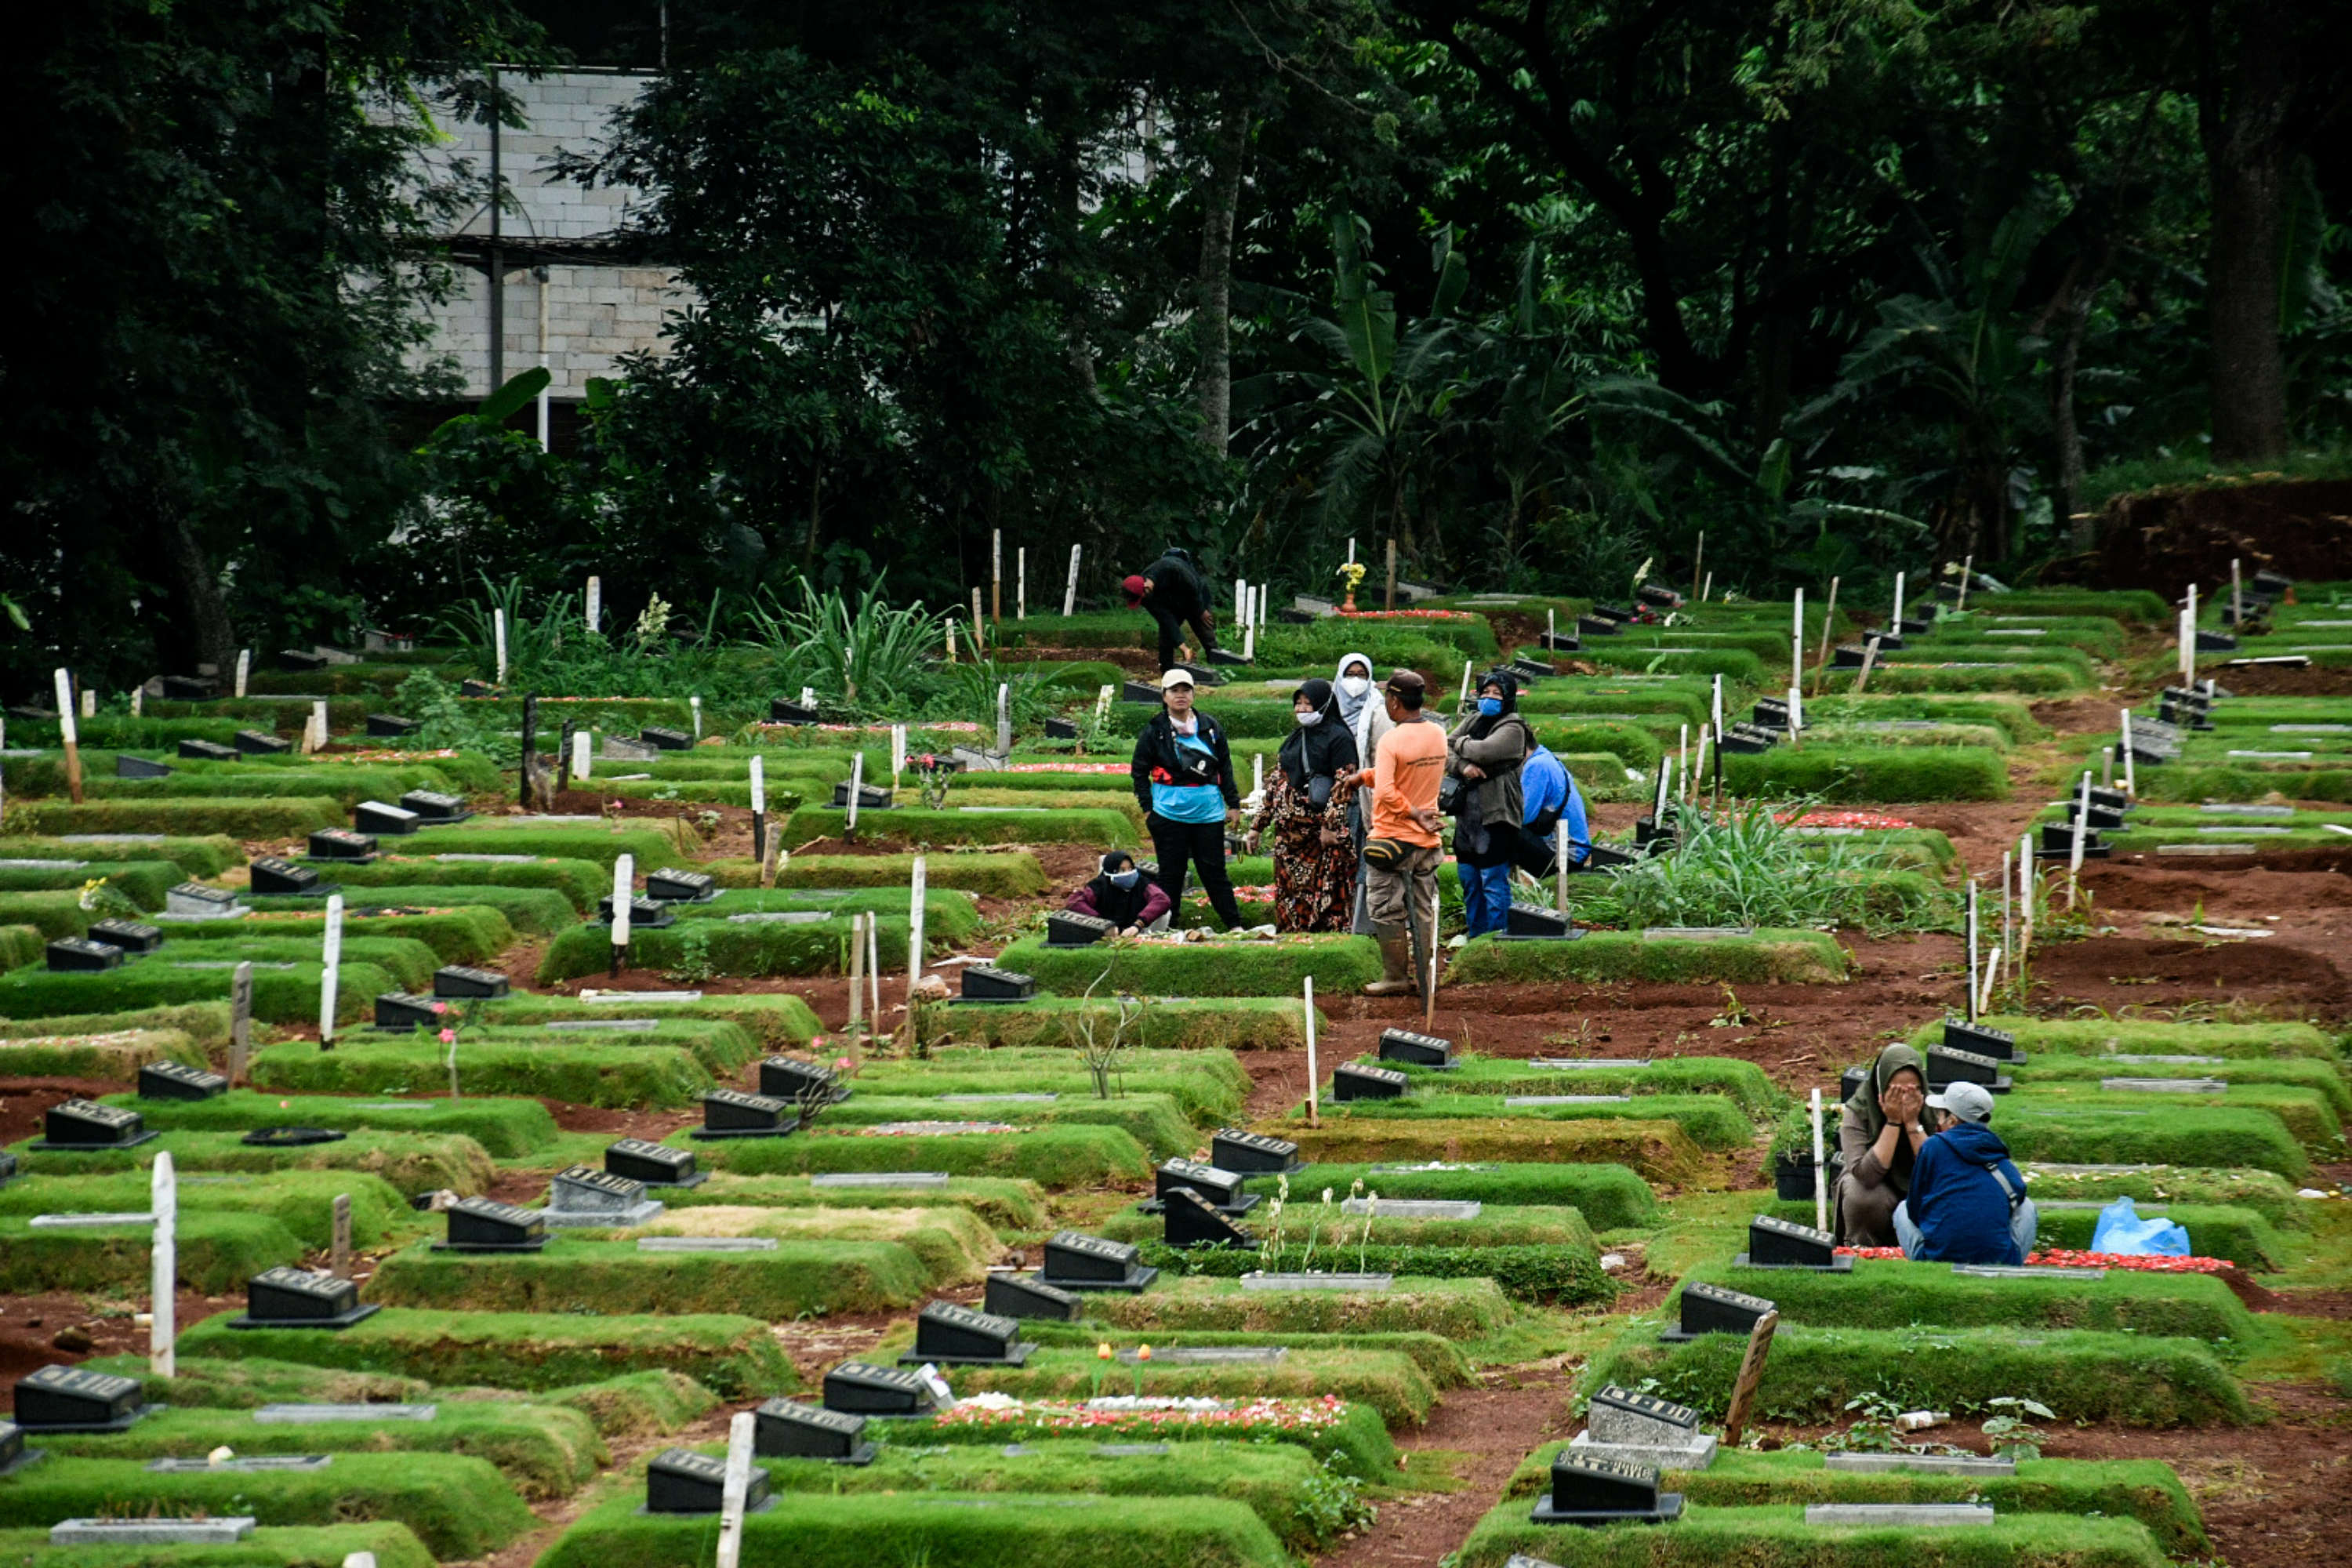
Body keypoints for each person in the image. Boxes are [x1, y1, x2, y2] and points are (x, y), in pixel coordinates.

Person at [1353, 670, 1448, 996]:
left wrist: (1411, 812)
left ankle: (1395, 976)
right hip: (1427, 840)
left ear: (1394, 701)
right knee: (1423, 908)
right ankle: (1427, 977)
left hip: (1393, 839)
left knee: (1385, 907)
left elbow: (1387, 792)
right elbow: (1396, 772)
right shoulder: (1437, 733)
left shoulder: (1391, 739)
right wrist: (1362, 776)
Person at [1129, 668, 1244, 931]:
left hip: (1209, 814)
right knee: (1171, 875)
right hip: (1168, 815)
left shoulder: (1210, 728)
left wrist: (1234, 804)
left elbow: (1224, 767)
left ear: (1193, 694)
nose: (1181, 695)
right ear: (1164, 696)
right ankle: (1170, 927)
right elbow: (1139, 771)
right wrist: (1148, 811)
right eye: (1174, 691)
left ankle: (1234, 925)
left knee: (1214, 873)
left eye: (1186, 690)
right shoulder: (1155, 730)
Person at [1247, 679, 1359, 931]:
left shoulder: (1339, 738)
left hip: (1320, 837)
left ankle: (1326, 950)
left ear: (1324, 704)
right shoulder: (1294, 740)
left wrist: (1330, 826)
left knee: (1327, 897)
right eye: (1298, 703)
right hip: (1290, 841)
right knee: (1291, 899)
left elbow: (1344, 785)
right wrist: (1258, 826)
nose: (1302, 709)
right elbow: (1276, 784)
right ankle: (1294, 945)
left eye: (1309, 704)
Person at [1895, 1082, 2037, 1265]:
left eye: (1941, 1114)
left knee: (1902, 1209)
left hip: (1936, 1258)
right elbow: (2018, 1193)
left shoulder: (1933, 1146)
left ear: (1952, 1120)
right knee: (2028, 1208)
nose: (1938, 1121)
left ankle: (1927, 1267)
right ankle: (2009, 1268)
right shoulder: (1996, 1150)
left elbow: (1914, 1207)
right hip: (1998, 1260)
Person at [1446, 671, 1535, 942]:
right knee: (1470, 881)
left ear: (1508, 697)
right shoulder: (1475, 719)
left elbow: (1484, 751)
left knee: (1493, 883)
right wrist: (1463, 765)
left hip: (1496, 815)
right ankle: (1476, 939)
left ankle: (1496, 942)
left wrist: (1460, 745)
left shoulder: (1514, 728)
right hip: (1467, 817)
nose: (1489, 698)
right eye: (1485, 693)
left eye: (1496, 694)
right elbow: (1443, 748)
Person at [1834, 1044, 1929, 1247]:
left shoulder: (1934, 1109)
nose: (1904, 1100)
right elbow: (1867, 1176)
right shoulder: (1859, 1111)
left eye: (1912, 1091)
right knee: (1863, 1196)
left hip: (1920, 1183)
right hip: (1876, 1184)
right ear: (1881, 1088)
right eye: (1895, 1092)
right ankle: (1864, 1247)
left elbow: (1938, 1169)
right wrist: (1893, 1123)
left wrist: (1912, 1123)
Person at [1334, 653, 1392, 936]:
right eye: (1350, 674)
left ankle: (1364, 924)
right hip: (1335, 797)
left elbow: (1384, 756)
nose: (1355, 681)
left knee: (1363, 858)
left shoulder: (1378, 711)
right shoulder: (1328, 707)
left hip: (1366, 793)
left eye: (1361, 675)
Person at [1123, 549, 1221, 673]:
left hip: (1194, 596)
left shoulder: (1169, 568)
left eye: (1140, 598)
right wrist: (1184, 648)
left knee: (1206, 632)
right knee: (1166, 638)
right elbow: (1166, 619)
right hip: (1172, 606)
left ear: (1146, 587)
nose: (1141, 601)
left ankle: (1219, 667)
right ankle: (1167, 674)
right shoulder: (1147, 599)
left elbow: (1193, 585)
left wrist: (1202, 610)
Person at [1510, 742, 1591, 880]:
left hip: (1564, 856)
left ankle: (1493, 892)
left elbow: (1522, 816)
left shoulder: (1537, 766)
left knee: (1498, 829)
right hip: (1574, 850)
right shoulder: (1544, 756)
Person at [1064, 850, 1171, 935]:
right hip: (1106, 932)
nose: (1128, 873)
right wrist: (1102, 924)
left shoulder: (1142, 883)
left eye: (1130, 869)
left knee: (1165, 914)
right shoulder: (1100, 885)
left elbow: (1161, 899)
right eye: (1122, 870)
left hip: (1137, 929)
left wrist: (1138, 924)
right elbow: (1075, 902)